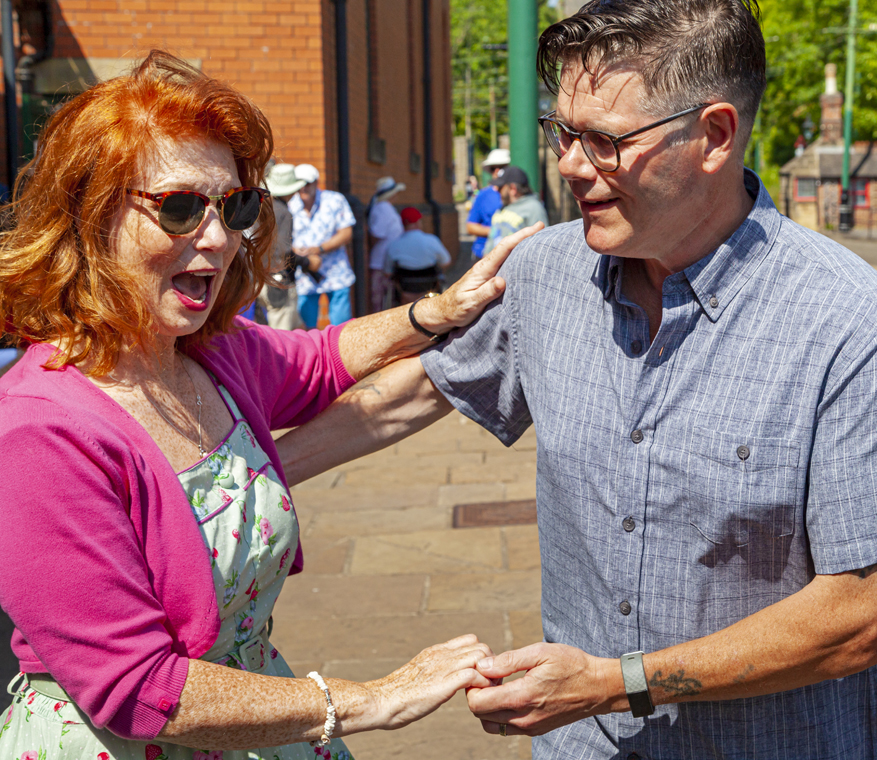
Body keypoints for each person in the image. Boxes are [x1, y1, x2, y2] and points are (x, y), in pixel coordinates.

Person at [278, 2, 877, 759]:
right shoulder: (546, 273)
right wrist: (241, 483)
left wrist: (615, 683)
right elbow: (418, 391)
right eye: (563, 132)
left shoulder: (852, 325)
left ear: (713, 135)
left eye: (605, 140)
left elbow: (856, 620)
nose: (572, 164)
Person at [0, 50, 540, 760]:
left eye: (236, 206)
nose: (220, 238)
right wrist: (373, 697)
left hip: (255, 722)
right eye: (180, 207)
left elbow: (320, 360)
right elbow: (138, 688)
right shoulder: (38, 430)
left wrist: (437, 310)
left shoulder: (206, 352)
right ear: (88, 217)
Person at [288, 164, 355, 328]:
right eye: (299, 183)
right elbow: (280, 238)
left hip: (335, 270)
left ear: (316, 182)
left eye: (307, 183)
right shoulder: (289, 204)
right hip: (304, 273)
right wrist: (299, 253)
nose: (303, 187)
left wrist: (320, 249)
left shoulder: (334, 200)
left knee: (342, 326)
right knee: (307, 328)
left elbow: (346, 233)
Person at [257, 162, 318, 330]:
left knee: (298, 327)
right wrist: (308, 263)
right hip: (279, 281)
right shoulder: (284, 212)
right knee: (281, 338)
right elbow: (283, 252)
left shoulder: (263, 209)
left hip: (260, 279)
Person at [385, 207, 452, 304]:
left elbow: (387, 273)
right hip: (430, 293)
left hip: (404, 296)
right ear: (417, 222)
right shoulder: (432, 240)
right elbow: (446, 262)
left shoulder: (393, 245)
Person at [485, 165, 549, 251]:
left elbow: (541, 246)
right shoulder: (502, 207)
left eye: (500, 187)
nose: (496, 189)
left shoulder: (533, 208)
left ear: (512, 189)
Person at [367, 176, 406, 312]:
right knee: (381, 300)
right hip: (382, 262)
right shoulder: (382, 208)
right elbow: (377, 234)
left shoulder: (385, 207)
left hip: (387, 261)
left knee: (387, 299)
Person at [466, 148, 510, 260]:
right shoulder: (483, 195)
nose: (497, 171)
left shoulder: (516, 193)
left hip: (510, 255)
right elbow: (470, 226)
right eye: (493, 168)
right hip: (484, 253)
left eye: (502, 167)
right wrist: (495, 231)